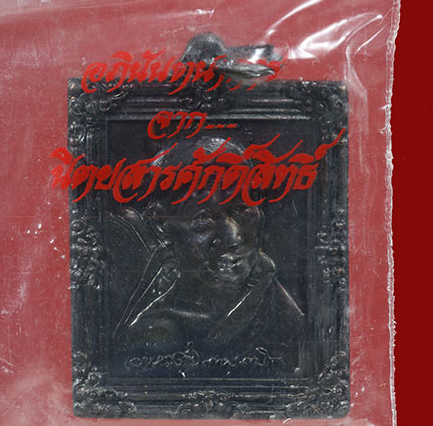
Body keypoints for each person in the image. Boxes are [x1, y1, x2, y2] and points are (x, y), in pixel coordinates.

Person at [113, 135, 304, 371]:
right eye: (203, 218)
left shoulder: (284, 316)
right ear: (159, 224)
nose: (232, 237)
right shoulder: (148, 329)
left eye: (241, 210)